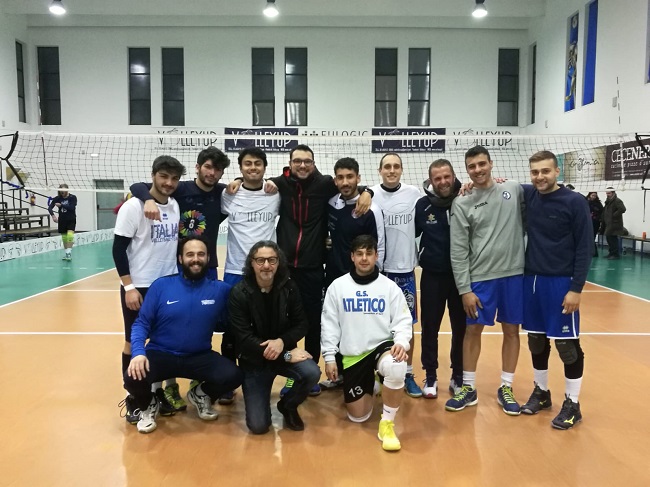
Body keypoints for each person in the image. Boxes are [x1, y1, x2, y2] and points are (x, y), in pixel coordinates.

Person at [258, 144, 372, 396]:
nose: (302, 165)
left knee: (311, 323)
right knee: (285, 321)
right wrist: (235, 180)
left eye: (307, 161)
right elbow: (253, 179)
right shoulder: (281, 183)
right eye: (297, 161)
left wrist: (368, 191)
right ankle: (292, 372)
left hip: (312, 267)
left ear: (313, 163)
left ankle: (310, 374)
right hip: (285, 267)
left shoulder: (324, 184)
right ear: (290, 163)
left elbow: (349, 186)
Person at [130, 146, 235, 409]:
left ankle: (199, 381)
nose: (212, 173)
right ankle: (167, 385)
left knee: (203, 319)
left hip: (206, 264)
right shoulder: (180, 188)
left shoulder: (222, 193)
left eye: (218, 169)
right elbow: (139, 185)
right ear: (198, 167)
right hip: (178, 264)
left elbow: (247, 186)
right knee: (168, 325)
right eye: (208, 167)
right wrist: (147, 199)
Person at [124, 236, 244, 434]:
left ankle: (200, 394)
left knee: (234, 375)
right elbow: (141, 323)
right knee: (132, 377)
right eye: (190, 255)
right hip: (161, 354)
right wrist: (138, 352)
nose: (195, 259)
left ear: (208, 258)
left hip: (199, 356)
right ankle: (147, 405)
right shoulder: (161, 286)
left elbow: (236, 315)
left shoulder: (221, 290)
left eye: (200, 254)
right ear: (180, 259)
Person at [446, 145, 525, 415]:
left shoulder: (513, 189)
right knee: (472, 331)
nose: (477, 170)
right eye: (472, 167)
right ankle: (468, 387)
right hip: (480, 279)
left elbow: (543, 187)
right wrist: (464, 289)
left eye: (482, 164)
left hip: (514, 275)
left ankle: (506, 387)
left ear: (491, 164)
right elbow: (457, 250)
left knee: (512, 331)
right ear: (466, 171)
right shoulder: (462, 201)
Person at [520, 151, 592, 430]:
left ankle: (573, 403)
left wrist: (576, 288)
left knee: (567, 346)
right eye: (535, 172)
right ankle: (541, 392)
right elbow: (499, 185)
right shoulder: (530, 195)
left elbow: (585, 247)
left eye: (545, 171)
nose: (540, 177)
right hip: (533, 281)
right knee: (536, 341)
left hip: (561, 283)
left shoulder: (575, 202)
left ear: (557, 171)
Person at [321, 235, 412, 451]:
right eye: (359, 254)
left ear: (376, 256)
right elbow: (329, 325)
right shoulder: (338, 287)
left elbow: (402, 320)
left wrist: (400, 341)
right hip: (354, 354)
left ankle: (387, 424)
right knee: (358, 417)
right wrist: (329, 358)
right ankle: (375, 383)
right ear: (352, 257)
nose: (364, 258)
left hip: (382, 348)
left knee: (397, 366)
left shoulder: (389, 288)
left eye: (369, 253)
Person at [114, 155, 186, 424]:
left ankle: (155, 394)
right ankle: (135, 398)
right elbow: (118, 249)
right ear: (153, 175)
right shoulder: (133, 207)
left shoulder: (175, 204)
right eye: (163, 176)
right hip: (139, 286)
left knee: (162, 341)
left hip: (166, 283)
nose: (168, 183)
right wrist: (129, 286)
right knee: (132, 343)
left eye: (174, 178)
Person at [229, 241, 320, 434]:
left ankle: (288, 405)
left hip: (283, 352)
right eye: (260, 260)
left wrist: (281, 342)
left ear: (279, 262)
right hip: (254, 362)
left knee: (312, 372)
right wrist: (285, 355)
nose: (266, 265)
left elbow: (302, 323)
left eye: (272, 260)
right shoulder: (239, 293)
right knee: (259, 426)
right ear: (251, 263)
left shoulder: (289, 287)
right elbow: (244, 339)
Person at [370, 153, 423, 398]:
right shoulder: (370, 194)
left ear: (401, 170)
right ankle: (375, 371)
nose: (391, 171)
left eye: (396, 167)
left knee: (407, 326)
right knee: (376, 324)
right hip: (379, 271)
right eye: (387, 167)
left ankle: (408, 372)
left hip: (405, 270)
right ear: (380, 170)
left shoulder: (414, 194)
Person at [414, 159, 466, 398]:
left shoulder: (467, 198)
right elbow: (409, 233)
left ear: (454, 177)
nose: (443, 182)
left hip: (462, 277)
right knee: (430, 328)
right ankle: (431, 375)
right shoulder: (422, 206)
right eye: (438, 178)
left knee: (461, 328)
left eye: (447, 177)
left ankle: (458, 376)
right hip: (433, 276)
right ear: (431, 181)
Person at [221, 147, 280, 286]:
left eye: (257, 163)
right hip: (235, 269)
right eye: (248, 163)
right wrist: (237, 180)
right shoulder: (228, 194)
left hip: (266, 268)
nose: (253, 167)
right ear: (240, 168)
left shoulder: (275, 194)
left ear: (265, 167)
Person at [325, 157, 385, 287]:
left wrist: (374, 279)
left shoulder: (372, 210)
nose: (345, 182)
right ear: (335, 181)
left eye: (350, 176)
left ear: (358, 178)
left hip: (360, 279)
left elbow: (379, 246)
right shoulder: (331, 203)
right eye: (340, 177)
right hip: (333, 277)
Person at [48, 183, 77, 261]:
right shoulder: (57, 198)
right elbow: (50, 208)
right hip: (62, 220)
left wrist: (61, 205)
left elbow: (71, 207)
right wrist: (53, 216)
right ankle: (67, 253)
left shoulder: (72, 197)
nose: (62, 192)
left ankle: (69, 253)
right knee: (64, 237)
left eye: (63, 190)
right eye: (61, 191)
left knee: (70, 236)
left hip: (71, 219)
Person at [601, 186, 627, 260]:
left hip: (614, 224)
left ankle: (615, 254)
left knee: (613, 239)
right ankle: (611, 253)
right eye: (606, 193)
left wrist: (614, 215)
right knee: (609, 238)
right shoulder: (608, 201)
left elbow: (623, 209)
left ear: (613, 193)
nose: (607, 194)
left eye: (609, 193)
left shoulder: (617, 200)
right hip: (609, 223)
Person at [586, 192, 603, 257]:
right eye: (592, 195)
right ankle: (589, 251)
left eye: (595, 196)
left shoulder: (598, 204)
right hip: (587, 222)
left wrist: (596, 216)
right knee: (587, 237)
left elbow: (601, 212)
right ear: (589, 195)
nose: (593, 197)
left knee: (592, 237)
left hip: (595, 222)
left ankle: (594, 252)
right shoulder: (585, 202)